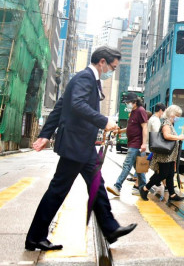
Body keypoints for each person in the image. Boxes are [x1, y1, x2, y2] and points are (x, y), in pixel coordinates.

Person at [26, 47, 136, 251]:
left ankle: (110, 227)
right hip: (75, 145)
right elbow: (75, 104)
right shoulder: (85, 78)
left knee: (97, 184)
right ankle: (35, 237)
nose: (112, 71)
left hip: (82, 146)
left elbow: (61, 106)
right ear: (102, 62)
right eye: (112, 67)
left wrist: (45, 134)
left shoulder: (87, 80)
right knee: (58, 190)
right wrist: (103, 120)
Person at [140, 105, 184, 202]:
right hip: (164, 155)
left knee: (170, 174)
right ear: (172, 114)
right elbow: (166, 135)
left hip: (169, 155)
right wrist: (179, 137)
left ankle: (172, 194)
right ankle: (145, 188)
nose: (178, 117)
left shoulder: (170, 123)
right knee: (163, 174)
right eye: (177, 115)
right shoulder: (166, 124)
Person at [108, 96, 149, 197]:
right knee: (139, 168)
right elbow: (131, 127)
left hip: (137, 144)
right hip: (133, 143)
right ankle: (142, 188)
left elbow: (145, 127)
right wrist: (119, 131)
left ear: (134, 102)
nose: (127, 104)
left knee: (127, 165)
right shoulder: (134, 112)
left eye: (128, 102)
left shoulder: (141, 110)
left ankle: (117, 186)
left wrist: (144, 143)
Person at [148, 103, 166, 200]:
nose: (163, 114)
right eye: (163, 111)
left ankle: (157, 184)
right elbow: (156, 134)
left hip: (151, 146)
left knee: (157, 168)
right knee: (159, 168)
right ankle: (153, 184)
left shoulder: (152, 119)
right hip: (155, 147)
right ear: (160, 111)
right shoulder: (156, 120)